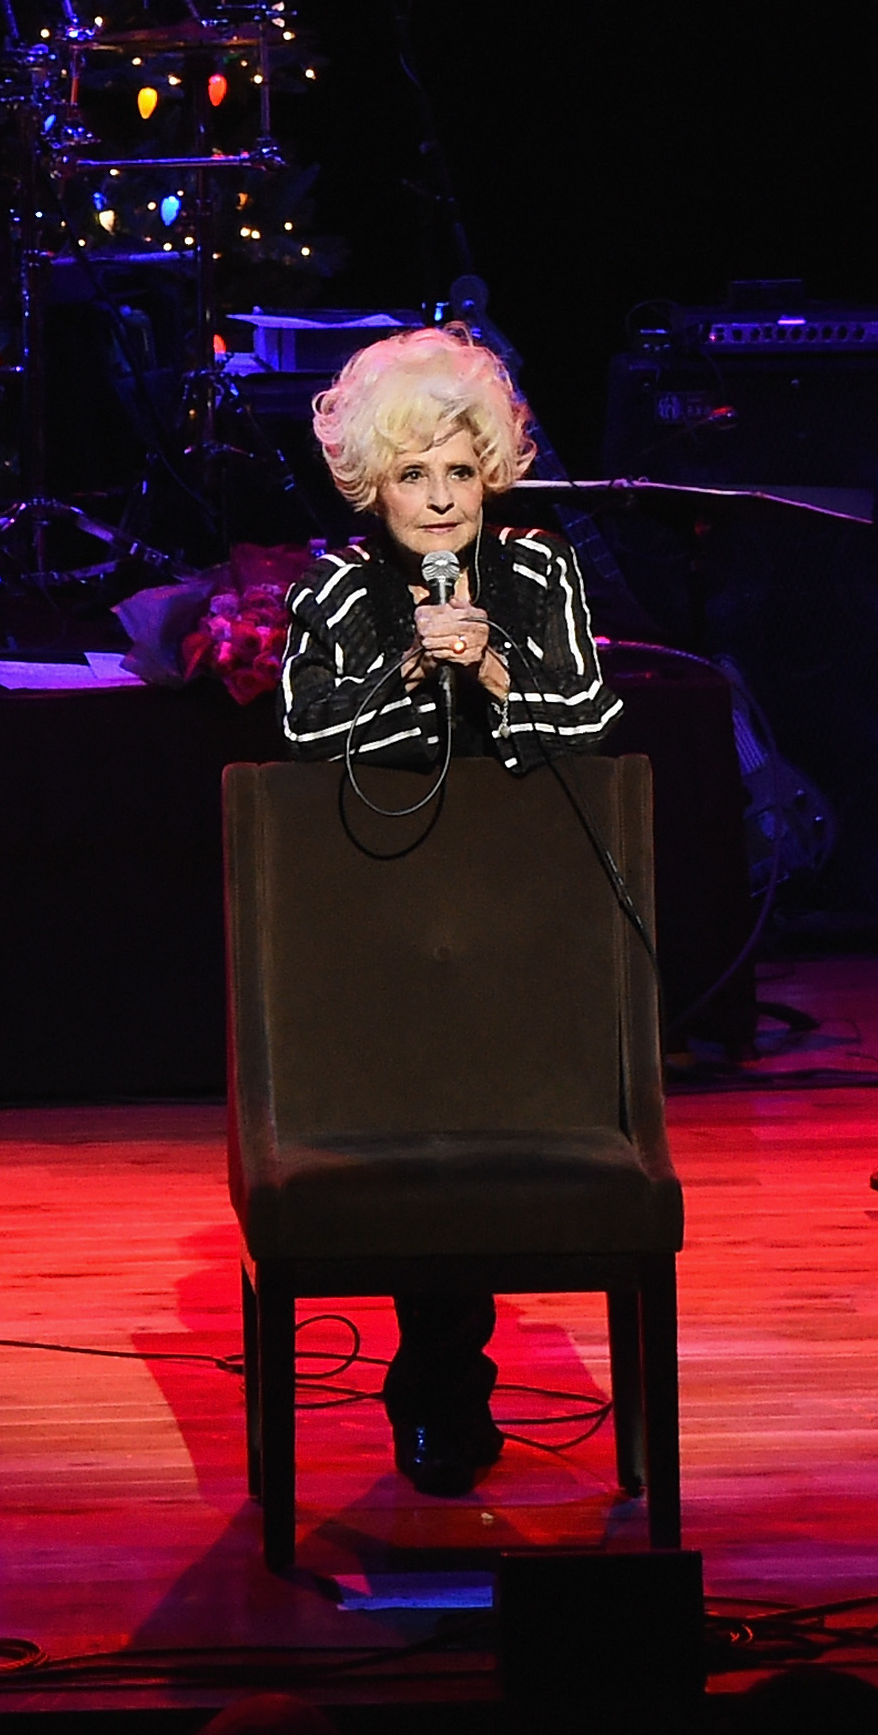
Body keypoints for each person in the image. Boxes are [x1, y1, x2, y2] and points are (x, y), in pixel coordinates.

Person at [278, 324, 619, 1497]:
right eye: (411, 472)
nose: (436, 498)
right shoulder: (331, 590)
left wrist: (490, 673)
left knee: (491, 1111)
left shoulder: (534, 572)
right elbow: (302, 735)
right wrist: (408, 673)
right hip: (380, 927)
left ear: (492, 475)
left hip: (525, 925)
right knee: (422, 1119)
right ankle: (437, 1389)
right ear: (371, 483)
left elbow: (585, 724)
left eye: (458, 471)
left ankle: (445, 1381)